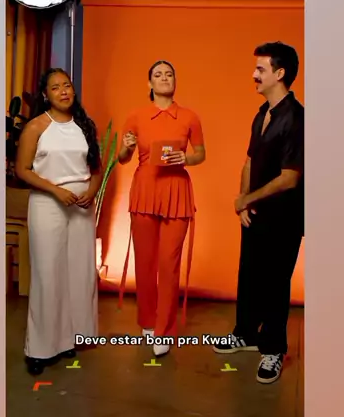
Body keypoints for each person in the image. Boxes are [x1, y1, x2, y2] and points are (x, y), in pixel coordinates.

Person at [213, 42, 304, 384]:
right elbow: (250, 161)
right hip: (256, 213)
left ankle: (273, 350)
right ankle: (246, 333)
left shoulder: (297, 119)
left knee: (275, 282)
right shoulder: (262, 112)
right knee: (249, 275)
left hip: (285, 217)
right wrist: (244, 201)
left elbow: (290, 178)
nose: (254, 74)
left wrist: (247, 198)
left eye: (260, 69)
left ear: (280, 73)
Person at [15, 68, 102, 375]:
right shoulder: (37, 126)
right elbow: (22, 170)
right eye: (55, 87)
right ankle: (39, 349)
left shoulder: (84, 126)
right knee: (47, 274)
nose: (64, 91)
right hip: (48, 204)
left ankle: (68, 339)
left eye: (67, 85)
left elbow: (96, 168)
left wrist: (91, 192)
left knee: (78, 273)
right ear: (45, 95)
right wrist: (56, 191)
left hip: (81, 207)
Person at [118, 60, 206, 356]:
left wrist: (185, 158)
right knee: (145, 263)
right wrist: (127, 146)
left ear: (175, 81)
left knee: (169, 265)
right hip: (145, 191)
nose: (164, 78)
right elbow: (122, 158)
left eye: (169, 74)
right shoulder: (136, 116)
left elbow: (201, 154)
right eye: (158, 74)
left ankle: (164, 330)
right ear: (150, 83)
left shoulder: (190, 117)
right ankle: (147, 320)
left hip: (176, 192)